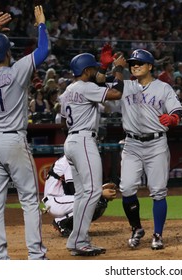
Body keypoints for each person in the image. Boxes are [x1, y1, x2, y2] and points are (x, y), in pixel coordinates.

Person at [97, 48, 182, 250]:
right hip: (132, 144)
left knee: (158, 191)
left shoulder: (163, 88)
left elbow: (177, 110)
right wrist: (104, 66)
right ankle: (136, 228)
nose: (135, 66)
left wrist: (172, 118)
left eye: (140, 63)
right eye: (132, 64)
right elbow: (99, 82)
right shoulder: (124, 86)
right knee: (127, 188)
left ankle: (158, 234)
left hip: (156, 144)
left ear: (150, 66)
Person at [0, 6, 48, 260]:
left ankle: (0, 259)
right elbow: (43, 51)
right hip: (13, 139)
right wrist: (41, 25)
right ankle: (36, 256)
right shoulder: (17, 70)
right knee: (30, 200)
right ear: (8, 53)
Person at [59, 52, 123, 256]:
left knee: (82, 194)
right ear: (86, 71)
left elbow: (62, 122)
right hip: (84, 141)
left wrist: (104, 70)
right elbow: (117, 93)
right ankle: (78, 239)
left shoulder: (67, 91)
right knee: (94, 191)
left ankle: (78, 240)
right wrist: (119, 70)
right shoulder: (86, 88)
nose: (95, 71)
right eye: (93, 68)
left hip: (70, 140)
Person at [42, 155, 117, 237]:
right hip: (56, 202)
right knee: (95, 201)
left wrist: (99, 191)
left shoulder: (75, 160)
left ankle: (70, 226)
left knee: (99, 201)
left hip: (64, 201)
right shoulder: (69, 161)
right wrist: (100, 193)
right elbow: (75, 191)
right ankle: (61, 222)